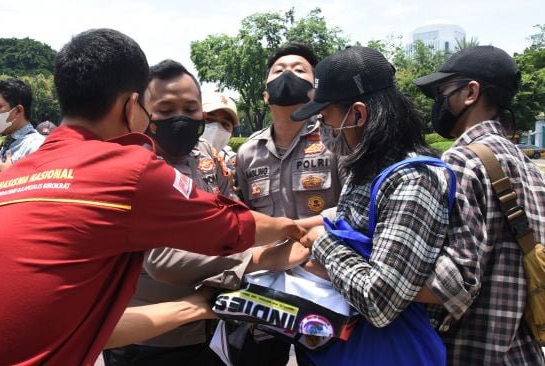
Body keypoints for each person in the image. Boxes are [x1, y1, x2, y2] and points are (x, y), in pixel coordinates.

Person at [0, 28, 305, 365]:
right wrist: (293, 228)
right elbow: (233, 227)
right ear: (131, 106)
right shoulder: (128, 170)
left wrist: (194, 308)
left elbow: (83, 326)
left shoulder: (4, 183)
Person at [105, 59, 310, 366]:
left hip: (211, 323)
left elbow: (231, 218)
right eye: (165, 109)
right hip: (149, 337)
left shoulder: (205, 156)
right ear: (141, 112)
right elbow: (162, 257)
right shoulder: (129, 167)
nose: (181, 119)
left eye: (190, 109)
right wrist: (260, 258)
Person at [294, 46, 453, 365]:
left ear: (358, 114)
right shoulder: (365, 170)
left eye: (326, 118)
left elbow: (380, 299)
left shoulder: (413, 180)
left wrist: (322, 244)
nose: (322, 128)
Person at [413, 45, 545, 364]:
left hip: (471, 351)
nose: (438, 103)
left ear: (470, 92)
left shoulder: (461, 162)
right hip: (522, 353)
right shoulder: (528, 166)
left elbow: (449, 284)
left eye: (443, 91)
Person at [232, 42, 342, 365]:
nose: (287, 75)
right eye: (278, 71)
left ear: (314, 89)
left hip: (323, 290)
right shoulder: (247, 153)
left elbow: (353, 212)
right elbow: (244, 217)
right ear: (265, 94)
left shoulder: (336, 142)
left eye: (299, 70)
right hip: (266, 292)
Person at [0, 77, 45, 194]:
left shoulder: (36, 147)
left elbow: (41, 194)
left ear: (17, 111)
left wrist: (10, 178)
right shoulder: (7, 144)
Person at [201, 90, 239, 177]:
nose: (216, 128)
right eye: (209, 120)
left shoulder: (231, 163)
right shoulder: (177, 160)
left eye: (225, 124)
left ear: (231, 134)